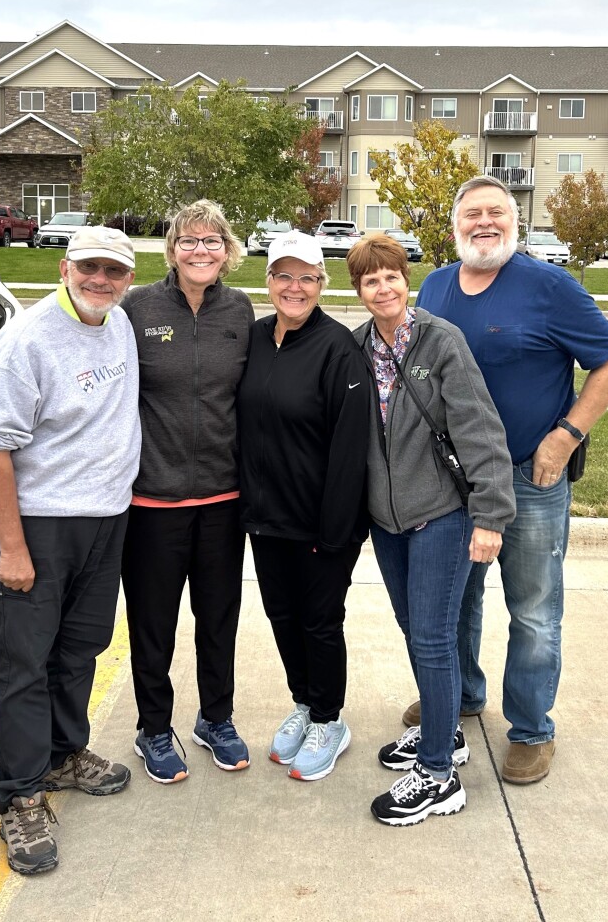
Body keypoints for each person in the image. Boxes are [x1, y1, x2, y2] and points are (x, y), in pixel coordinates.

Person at [415, 174, 608, 784]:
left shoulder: (549, 286)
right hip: (453, 480)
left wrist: (567, 435)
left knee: (533, 610)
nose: (484, 224)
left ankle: (532, 728)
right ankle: (458, 697)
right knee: (455, 600)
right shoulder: (435, 285)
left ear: (516, 221)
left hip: (529, 478)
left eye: (496, 213)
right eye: (472, 215)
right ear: (455, 226)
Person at [0, 226, 141, 875]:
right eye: (89, 268)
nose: (100, 280)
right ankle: (21, 793)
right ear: (66, 267)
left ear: (126, 278)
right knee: (22, 661)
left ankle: (65, 752)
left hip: (104, 521)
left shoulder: (117, 323)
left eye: (113, 271)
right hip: (37, 524)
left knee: (80, 647)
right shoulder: (27, 341)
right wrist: (12, 547)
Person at [347, 235, 515, 826]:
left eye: (392, 276)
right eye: (371, 281)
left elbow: (480, 429)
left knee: (434, 638)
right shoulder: (357, 347)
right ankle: (446, 735)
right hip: (386, 520)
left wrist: (490, 515)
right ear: (359, 291)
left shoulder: (441, 341)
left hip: (441, 513)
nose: (384, 288)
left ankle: (440, 775)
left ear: (405, 279)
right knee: (413, 628)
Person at [120, 200, 254, 782]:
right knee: (154, 624)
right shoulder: (137, 307)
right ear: (172, 249)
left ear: (228, 251)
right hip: (153, 500)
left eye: (213, 241)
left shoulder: (240, 310)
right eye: (189, 240)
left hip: (223, 499)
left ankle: (215, 718)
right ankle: (153, 728)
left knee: (218, 618)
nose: (201, 250)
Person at [237, 230, 369, 781]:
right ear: (268, 282)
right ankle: (303, 702)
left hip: (322, 523)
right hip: (267, 520)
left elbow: (351, 447)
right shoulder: (255, 337)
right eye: (283, 276)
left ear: (322, 283)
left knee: (320, 622)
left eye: (307, 277)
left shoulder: (338, 348)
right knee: (282, 617)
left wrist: (334, 531)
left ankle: (329, 719)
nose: (295, 287)